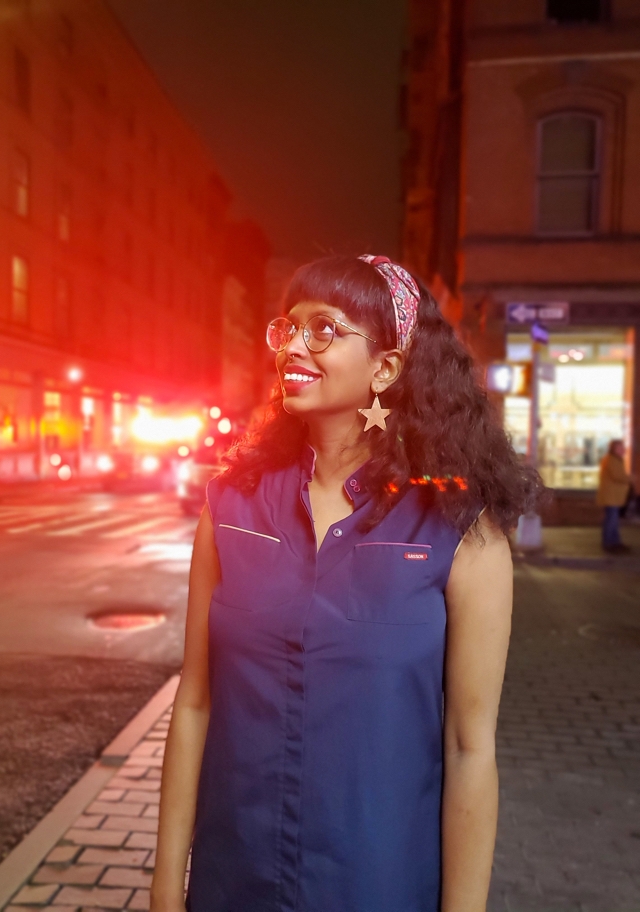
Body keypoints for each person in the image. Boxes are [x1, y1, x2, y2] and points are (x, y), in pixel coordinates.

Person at [151, 255, 542, 912]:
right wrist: (166, 889)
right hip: (234, 881)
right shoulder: (232, 506)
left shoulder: (460, 529)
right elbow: (194, 702)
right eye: (288, 328)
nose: (293, 347)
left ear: (385, 369)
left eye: (325, 330)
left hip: (379, 884)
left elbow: (470, 748)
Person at [596, 439, 634, 554]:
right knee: (611, 520)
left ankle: (615, 542)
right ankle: (609, 543)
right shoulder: (612, 460)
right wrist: (632, 478)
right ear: (614, 449)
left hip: (613, 497)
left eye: (623, 447)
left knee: (613, 520)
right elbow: (618, 476)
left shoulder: (615, 459)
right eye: (620, 448)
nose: (623, 450)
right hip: (611, 497)